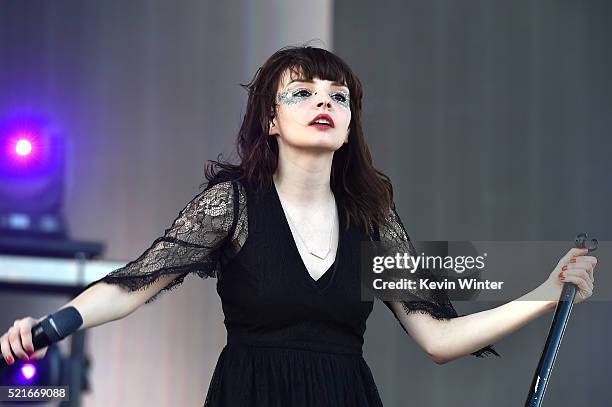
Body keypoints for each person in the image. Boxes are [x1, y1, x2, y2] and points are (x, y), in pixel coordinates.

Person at [1, 46, 597, 406]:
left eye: (339, 98)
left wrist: (545, 293)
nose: (325, 104)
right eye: (303, 93)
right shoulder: (230, 204)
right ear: (270, 122)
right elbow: (134, 283)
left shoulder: (373, 217)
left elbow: (438, 339)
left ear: (348, 124)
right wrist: (49, 327)